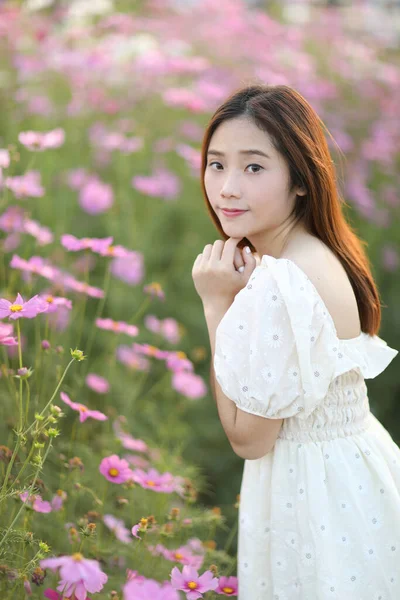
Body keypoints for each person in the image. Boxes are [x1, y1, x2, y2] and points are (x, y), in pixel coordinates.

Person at [191, 83, 400, 598]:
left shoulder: (283, 283)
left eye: (254, 167)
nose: (227, 188)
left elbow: (249, 438)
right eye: (217, 164)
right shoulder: (314, 251)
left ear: (301, 180)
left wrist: (217, 305)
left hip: (314, 501)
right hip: (353, 478)